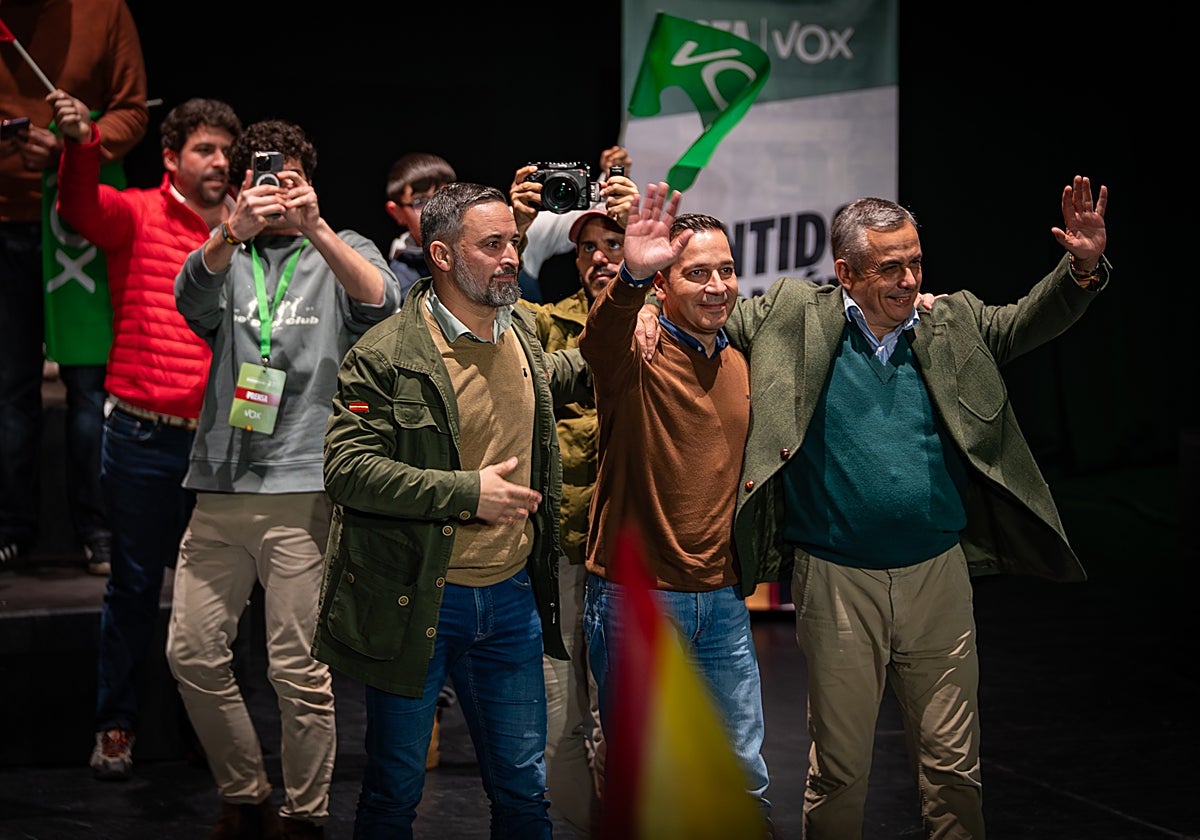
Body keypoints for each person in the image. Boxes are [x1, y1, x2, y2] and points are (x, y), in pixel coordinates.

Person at [721, 175, 1110, 837]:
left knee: (954, 767)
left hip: (938, 578)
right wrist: (644, 307)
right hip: (838, 581)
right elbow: (706, 321)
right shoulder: (792, 312)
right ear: (846, 271)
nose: (907, 279)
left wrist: (1081, 266)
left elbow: (1022, 323)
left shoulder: (946, 322)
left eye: (915, 262)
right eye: (889, 266)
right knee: (841, 769)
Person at [311, 181, 592, 839]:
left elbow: (583, 370)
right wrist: (468, 494)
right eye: (491, 245)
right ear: (440, 253)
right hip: (420, 600)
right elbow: (346, 470)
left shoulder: (522, 335)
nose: (509, 258)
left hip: (513, 599)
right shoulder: (385, 353)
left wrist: (634, 283)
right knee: (393, 791)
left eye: (513, 243)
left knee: (524, 794)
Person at [166, 118, 401, 839]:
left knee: (298, 671)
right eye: (265, 175)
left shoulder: (343, 246)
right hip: (221, 482)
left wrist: (318, 226)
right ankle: (245, 794)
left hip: (303, 485)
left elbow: (382, 302)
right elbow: (188, 300)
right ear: (240, 186)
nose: (278, 187)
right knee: (191, 652)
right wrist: (228, 233)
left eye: (290, 174)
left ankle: (305, 813)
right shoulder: (225, 252)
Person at [48, 90, 241, 782]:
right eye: (204, 149)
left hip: (220, 443)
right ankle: (117, 724)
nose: (219, 161)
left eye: (226, 150)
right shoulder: (136, 213)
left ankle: (209, 732)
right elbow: (77, 208)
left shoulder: (248, 228)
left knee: (219, 596)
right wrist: (82, 145)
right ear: (171, 157)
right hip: (140, 436)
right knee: (132, 587)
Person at [576, 187, 773, 834]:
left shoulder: (745, 362)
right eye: (697, 273)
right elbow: (598, 339)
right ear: (663, 284)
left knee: (744, 777)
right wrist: (630, 278)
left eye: (725, 270)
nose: (717, 286)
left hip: (721, 601)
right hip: (638, 600)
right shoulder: (634, 355)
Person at [508, 164, 635, 837]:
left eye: (616, 244)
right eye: (587, 247)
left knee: (633, 723)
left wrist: (649, 236)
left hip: (642, 559)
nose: (600, 258)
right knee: (561, 718)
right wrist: (516, 232)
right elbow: (482, 315)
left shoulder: (676, 320)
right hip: (565, 550)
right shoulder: (552, 324)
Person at [0, 0, 148, 573]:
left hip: (76, 220)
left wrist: (72, 144)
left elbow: (131, 113)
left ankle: (97, 526)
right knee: (11, 388)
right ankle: (12, 526)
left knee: (89, 384)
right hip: (5, 222)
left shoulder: (104, 10)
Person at [514, 145, 631, 303]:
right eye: (588, 248)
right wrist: (518, 225)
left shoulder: (656, 311)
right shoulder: (550, 321)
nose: (598, 257)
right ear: (578, 263)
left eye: (613, 245)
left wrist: (612, 180)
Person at [383, 151, 456, 304]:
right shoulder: (399, 279)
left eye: (444, 196)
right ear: (396, 212)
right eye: (420, 202)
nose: (436, 208)